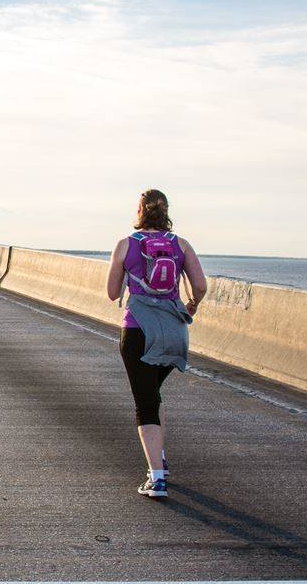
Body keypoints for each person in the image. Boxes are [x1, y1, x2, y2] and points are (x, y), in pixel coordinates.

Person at [103, 189, 205, 500]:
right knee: (153, 394)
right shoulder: (181, 245)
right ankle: (159, 458)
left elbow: (111, 292)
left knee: (145, 403)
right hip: (174, 331)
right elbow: (199, 286)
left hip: (138, 331)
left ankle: (157, 478)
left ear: (139, 211)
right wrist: (192, 305)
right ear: (166, 211)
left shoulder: (126, 245)